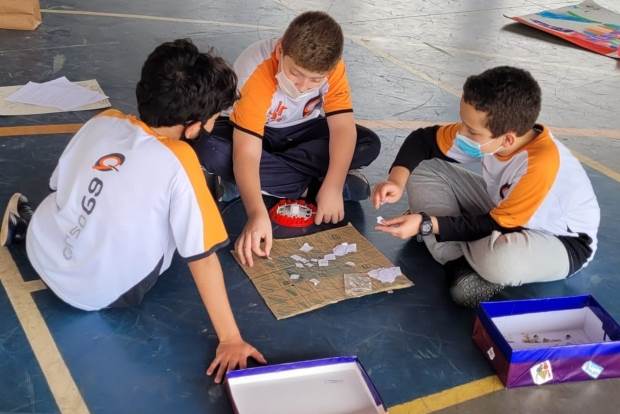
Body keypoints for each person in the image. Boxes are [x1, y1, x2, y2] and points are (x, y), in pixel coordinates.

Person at [0, 39, 265, 382]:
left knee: (81, 198)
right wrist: (230, 339)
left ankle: (22, 224)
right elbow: (202, 259)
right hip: (98, 293)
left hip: (42, 249)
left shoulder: (104, 119)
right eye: (212, 120)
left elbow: (59, 185)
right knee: (188, 216)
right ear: (193, 125)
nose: (212, 128)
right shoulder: (181, 160)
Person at [372, 66, 600, 307]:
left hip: (562, 241)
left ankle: (450, 250)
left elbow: (496, 224)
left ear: (508, 139)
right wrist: (396, 180)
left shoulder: (541, 163)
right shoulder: (493, 136)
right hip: (502, 210)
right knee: (423, 168)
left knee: (500, 261)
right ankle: (459, 263)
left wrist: (427, 223)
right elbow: (423, 141)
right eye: (463, 122)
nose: (461, 132)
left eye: (470, 130)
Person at [190, 11, 381, 267]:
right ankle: (308, 187)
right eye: (295, 73)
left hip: (301, 131)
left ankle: (255, 181)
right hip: (251, 132)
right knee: (210, 149)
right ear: (280, 51)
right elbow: (247, 151)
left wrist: (335, 185)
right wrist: (257, 213)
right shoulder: (256, 68)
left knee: (367, 143)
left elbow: (342, 127)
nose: (303, 86)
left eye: (315, 80)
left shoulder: (333, 67)